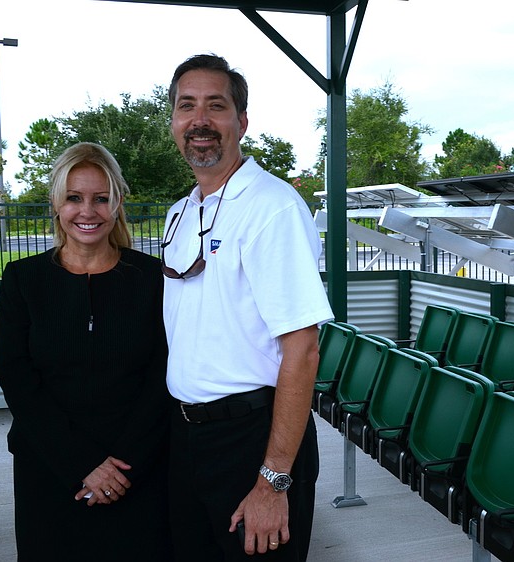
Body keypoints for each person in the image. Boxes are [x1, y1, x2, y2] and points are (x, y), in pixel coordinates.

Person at [162, 54, 334, 561]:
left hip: (253, 439)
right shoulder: (181, 211)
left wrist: (274, 479)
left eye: (216, 106)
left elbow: (302, 350)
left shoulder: (271, 206)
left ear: (241, 121)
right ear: (173, 121)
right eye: (186, 106)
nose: (200, 120)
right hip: (189, 439)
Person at [0, 142, 172, 561]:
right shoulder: (23, 279)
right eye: (74, 198)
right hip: (50, 471)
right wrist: (84, 465)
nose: (87, 211)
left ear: (118, 204)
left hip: (137, 472)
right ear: (56, 204)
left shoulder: (152, 279)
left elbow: (162, 375)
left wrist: (122, 465)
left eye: (100, 198)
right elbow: (17, 379)